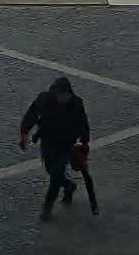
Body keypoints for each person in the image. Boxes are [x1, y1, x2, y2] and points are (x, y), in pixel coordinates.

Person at [18, 76, 94, 220]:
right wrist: (24, 133)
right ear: (55, 93)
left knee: (56, 175)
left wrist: (84, 144)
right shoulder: (44, 99)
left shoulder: (77, 103)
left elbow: (83, 124)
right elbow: (31, 115)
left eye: (66, 94)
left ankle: (47, 209)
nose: (63, 98)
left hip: (66, 144)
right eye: (61, 95)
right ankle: (69, 185)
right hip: (48, 142)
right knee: (50, 169)